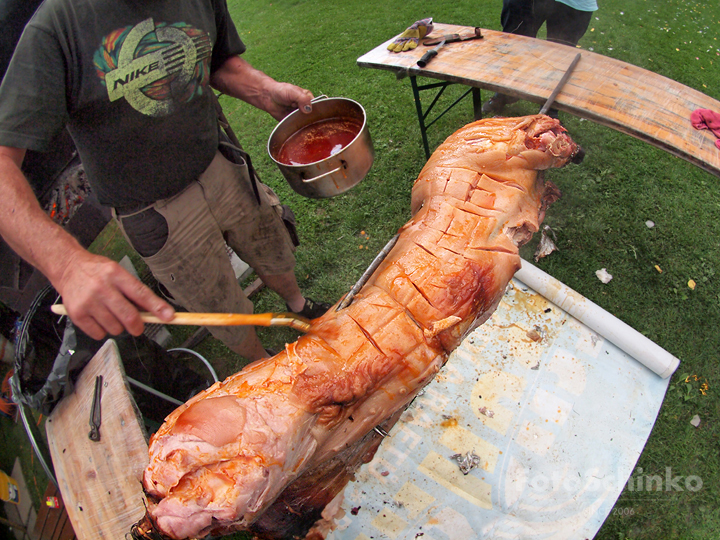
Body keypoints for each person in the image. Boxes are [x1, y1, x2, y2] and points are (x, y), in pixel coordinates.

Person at [0, 0, 331, 378]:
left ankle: (299, 304)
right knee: (217, 305)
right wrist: (65, 263)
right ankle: (263, 360)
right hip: (152, 208)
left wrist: (264, 90)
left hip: (218, 163)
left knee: (271, 244)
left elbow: (217, 61)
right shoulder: (55, 27)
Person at [482, 0, 598, 115]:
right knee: (515, 46)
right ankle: (505, 93)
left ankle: (549, 110)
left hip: (574, 3)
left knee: (561, 57)